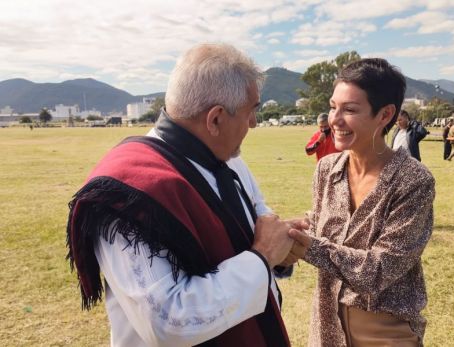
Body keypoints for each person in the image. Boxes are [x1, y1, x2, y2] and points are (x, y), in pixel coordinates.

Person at [66, 43, 307, 347]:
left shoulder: (229, 161)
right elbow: (170, 321)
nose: (254, 123)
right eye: (251, 112)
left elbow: (259, 224)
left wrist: (282, 251)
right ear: (216, 119)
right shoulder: (126, 192)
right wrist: (262, 258)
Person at [288, 58, 435, 346]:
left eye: (350, 110)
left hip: (384, 328)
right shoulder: (327, 169)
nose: (335, 120)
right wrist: (285, 233)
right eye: (333, 107)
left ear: (384, 115)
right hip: (326, 320)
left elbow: (379, 270)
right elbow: (318, 225)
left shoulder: (413, 180)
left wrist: (304, 246)